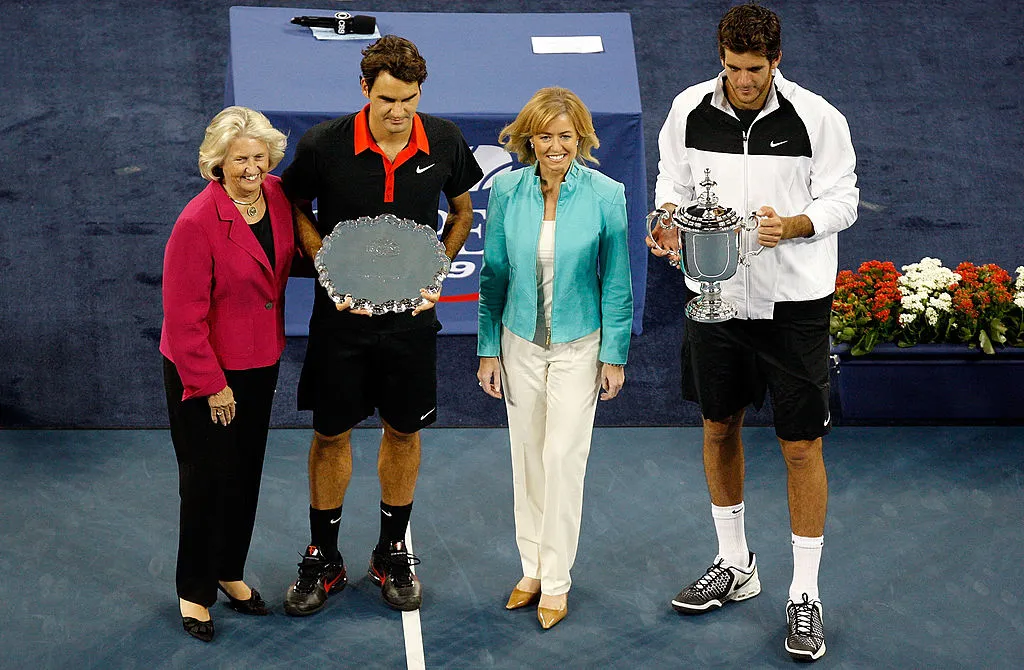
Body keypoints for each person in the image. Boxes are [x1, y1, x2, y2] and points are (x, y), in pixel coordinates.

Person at [648, 4, 858, 662]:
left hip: (793, 305)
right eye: (733, 68)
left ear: (776, 62)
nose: (743, 81)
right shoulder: (687, 109)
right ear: (721, 57)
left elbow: (842, 199)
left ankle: (804, 594)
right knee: (718, 427)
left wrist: (790, 226)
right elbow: (672, 184)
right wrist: (667, 223)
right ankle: (735, 565)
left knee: (800, 448)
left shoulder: (817, 118)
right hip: (716, 299)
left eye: (755, 69)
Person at [279, 35, 483, 616]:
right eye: (388, 99)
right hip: (340, 323)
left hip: (409, 325)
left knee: (404, 431)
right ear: (364, 88)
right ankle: (324, 555)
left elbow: (463, 209)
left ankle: (392, 551)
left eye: (410, 100)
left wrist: (436, 272)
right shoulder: (324, 144)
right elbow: (295, 205)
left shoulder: (442, 139)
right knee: (330, 435)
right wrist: (326, 264)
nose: (399, 113)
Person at [477, 87, 633, 630]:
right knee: (528, 457)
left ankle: (558, 580)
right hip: (518, 341)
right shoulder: (507, 192)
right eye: (544, 135)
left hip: (580, 346)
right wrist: (487, 347)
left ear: (581, 139)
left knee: (564, 458)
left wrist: (614, 356)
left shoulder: (606, 194)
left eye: (565, 135)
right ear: (529, 139)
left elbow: (616, 281)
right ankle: (533, 568)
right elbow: (493, 275)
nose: (555, 145)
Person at [160, 106, 293, 641]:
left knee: (244, 476)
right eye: (240, 159)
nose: (251, 168)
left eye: (259, 158)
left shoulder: (278, 197)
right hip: (206, 372)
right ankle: (194, 592)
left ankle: (228, 571)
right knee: (206, 482)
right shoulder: (197, 221)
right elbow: (183, 317)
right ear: (218, 162)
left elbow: (287, 260)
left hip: (260, 360)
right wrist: (213, 386)